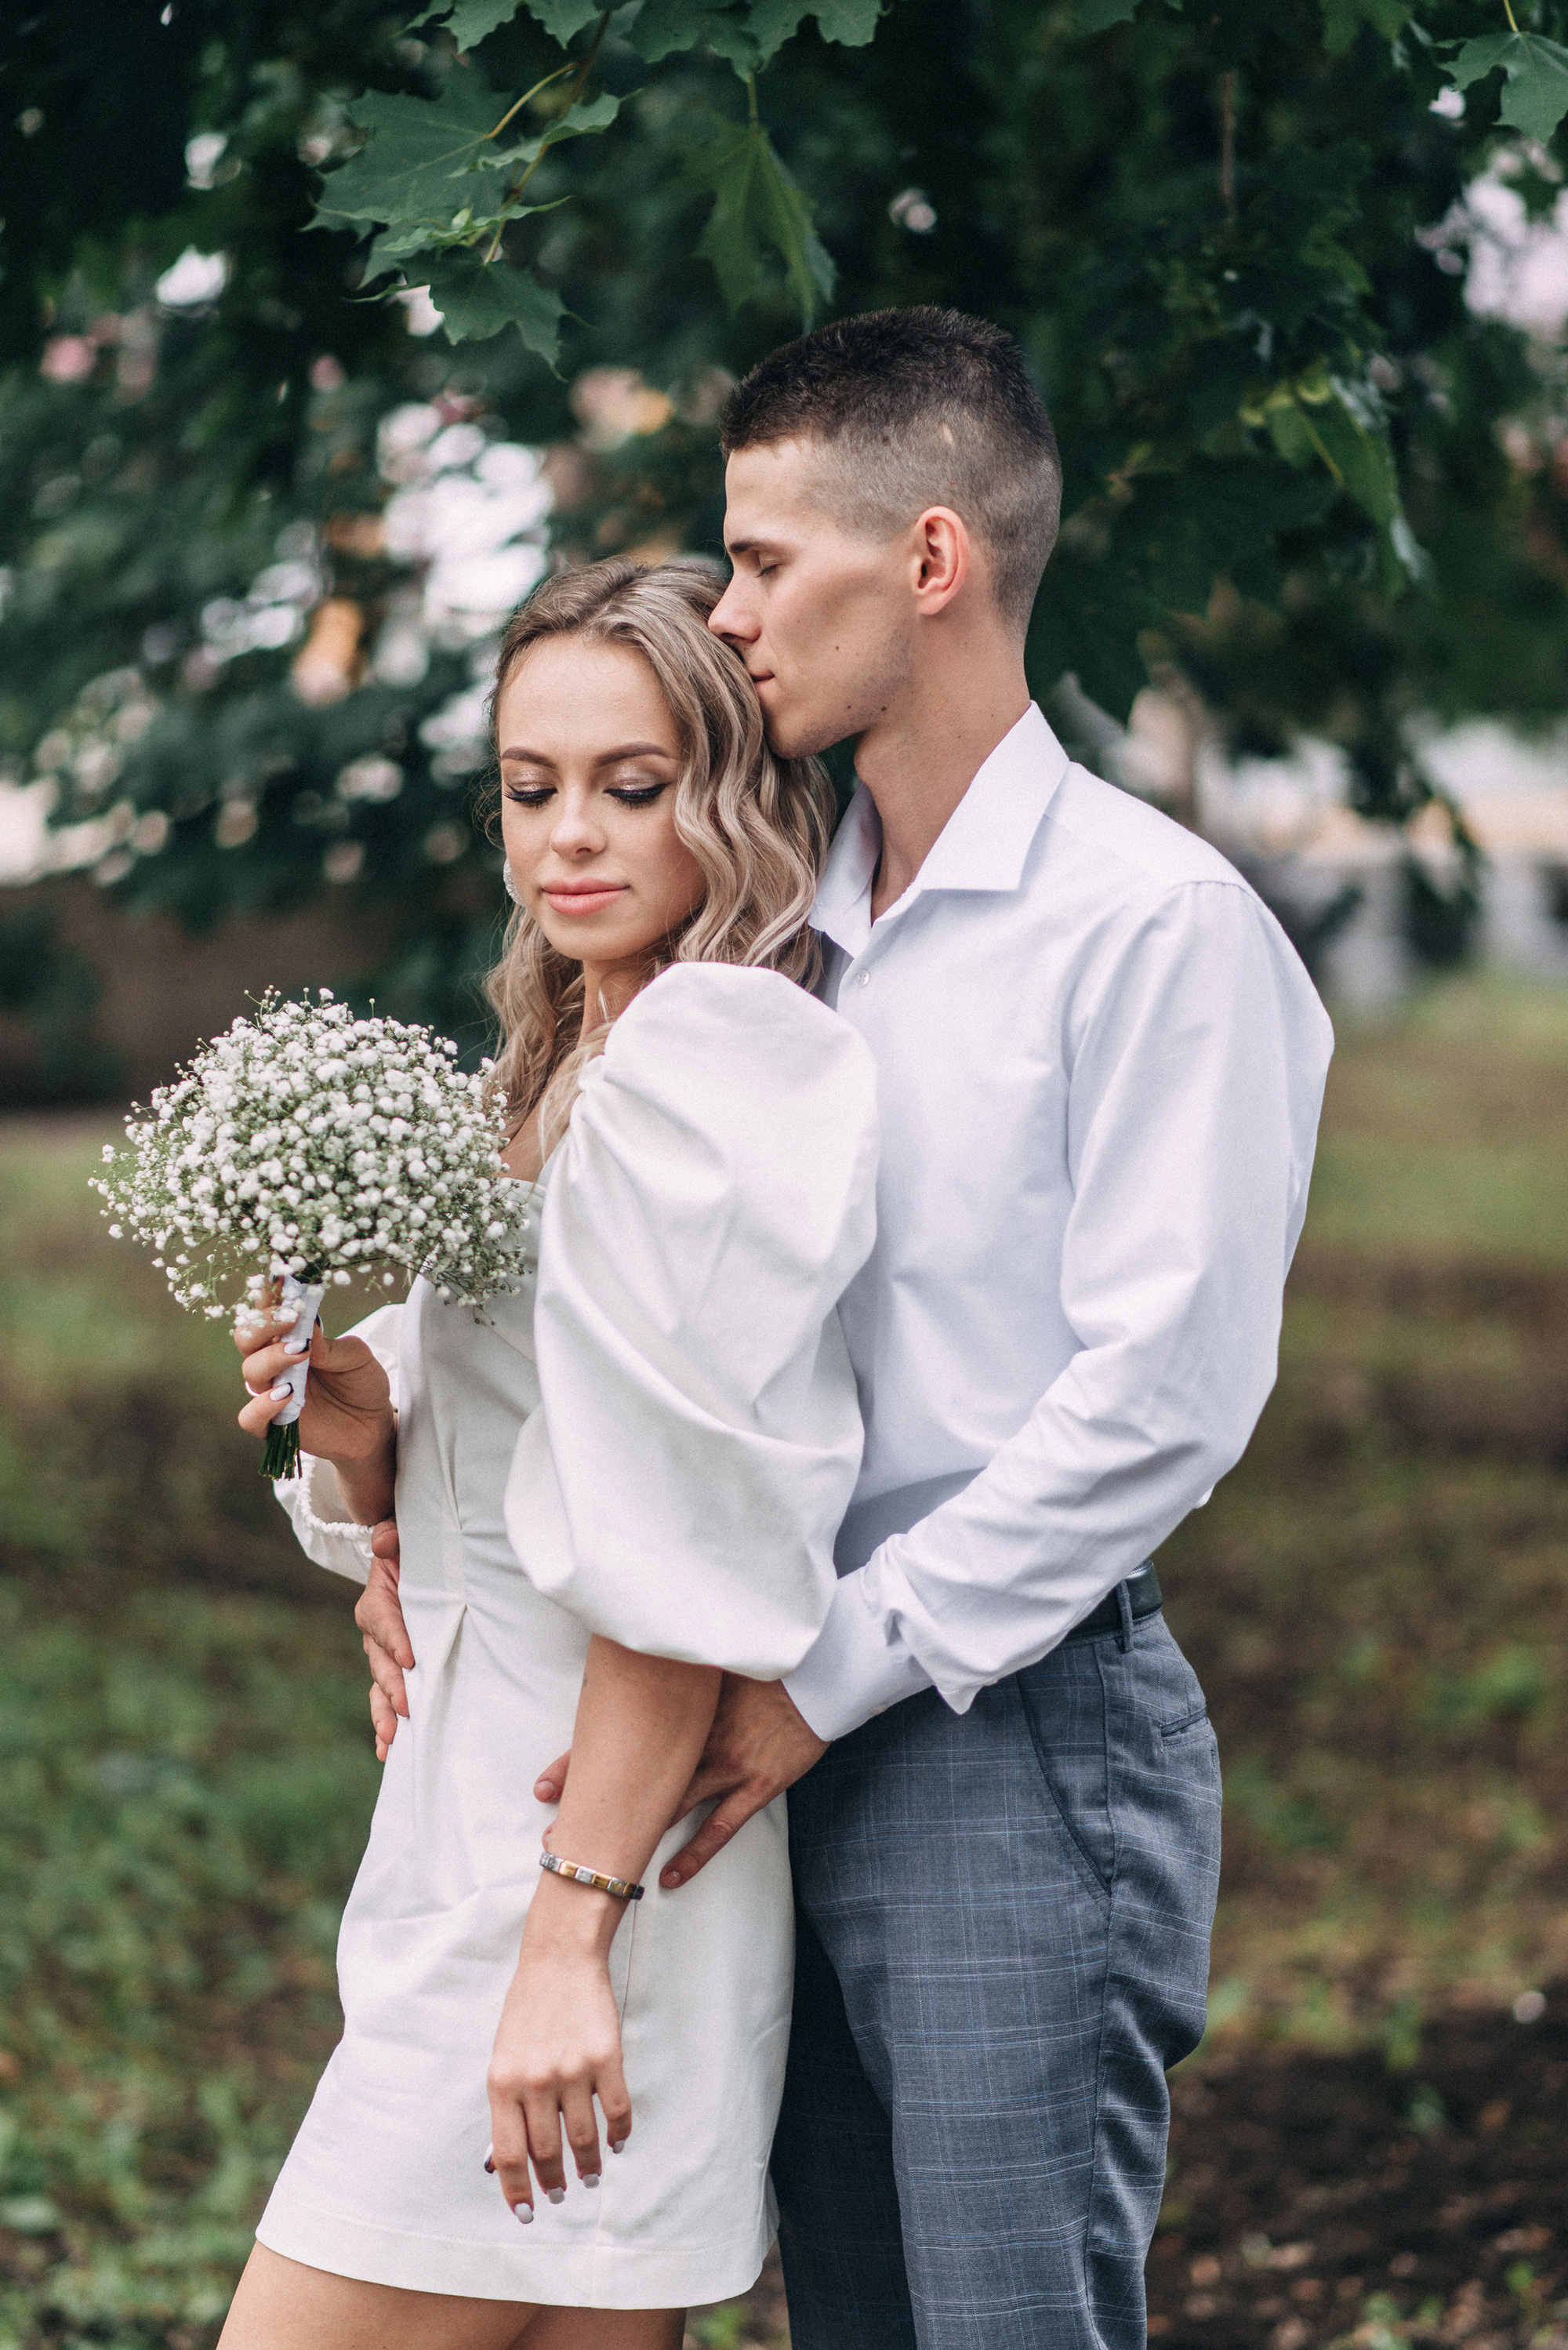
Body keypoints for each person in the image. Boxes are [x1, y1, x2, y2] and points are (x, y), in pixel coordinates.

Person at [365, 307, 1332, 2350]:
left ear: (931, 563)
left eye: (770, 561)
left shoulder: (1152, 927)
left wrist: (827, 1675)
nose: (730, 612)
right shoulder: (784, 930)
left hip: (1005, 1723)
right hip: (761, 1732)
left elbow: (1165, 1394)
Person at [219, 559, 880, 2350]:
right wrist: (360, 1430)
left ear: (732, 794)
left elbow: (690, 1531)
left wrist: (567, 1933)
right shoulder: (570, 1054)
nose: (569, 834)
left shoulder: (709, 1066)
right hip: (488, 1805)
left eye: (634, 783)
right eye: (530, 787)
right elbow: (501, 1452)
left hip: (578, 1854)